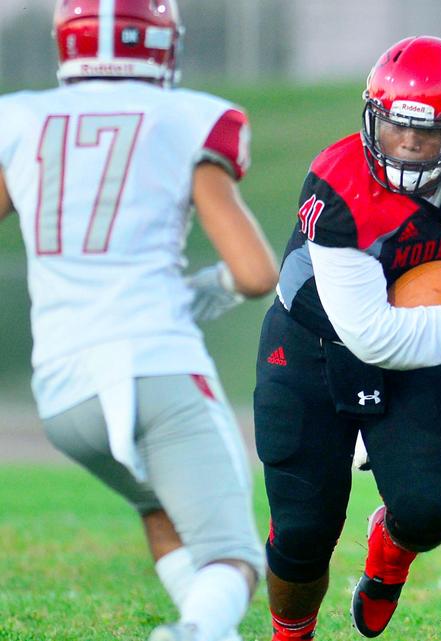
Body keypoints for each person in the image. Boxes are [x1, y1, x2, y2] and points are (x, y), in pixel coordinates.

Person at [0, 2, 278, 640]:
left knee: (160, 504)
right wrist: (210, 288)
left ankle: (204, 628)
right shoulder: (186, 118)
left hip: (62, 392)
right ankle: (197, 631)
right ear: (158, 44)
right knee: (234, 554)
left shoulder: (19, 115)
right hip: (152, 366)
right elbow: (256, 272)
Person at [253, 36, 441, 640]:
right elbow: (372, 337)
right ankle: (291, 634)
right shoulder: (339, 185)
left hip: (415, 337)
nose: (407, 144)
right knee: (302, 532)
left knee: (427, 511)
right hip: (312, 341)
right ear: (373, 116)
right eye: (396, 126)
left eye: (425, 133)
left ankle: (387, 557)